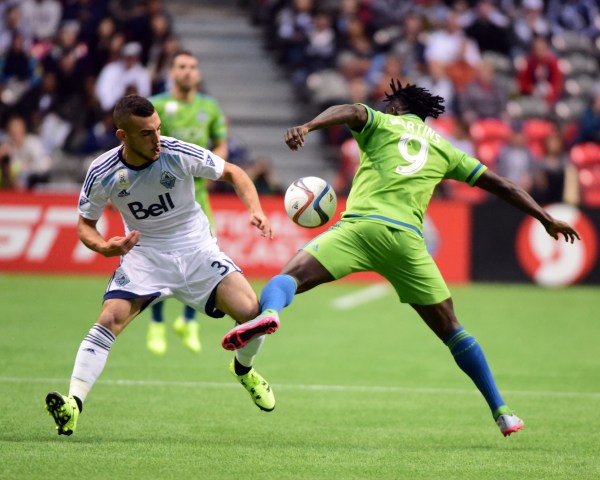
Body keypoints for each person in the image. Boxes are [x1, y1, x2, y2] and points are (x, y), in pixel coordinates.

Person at [221, 80, 580, 437]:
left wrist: (308, 126)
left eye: (386, 102)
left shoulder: (384, 122)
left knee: (288, 278)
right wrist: (545, 218)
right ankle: (502, 411)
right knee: (452, 328)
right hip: (407, 242)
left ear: (396, 106)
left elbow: (351, 110)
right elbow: (503, 185)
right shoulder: (446, 148)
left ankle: (270, 313)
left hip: (360, 229)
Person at [44, 95, 276, 436]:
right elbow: (84, 225)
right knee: (108, 319)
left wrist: (255, 208)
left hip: (196, 251)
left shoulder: (177, 152)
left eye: (158, 129)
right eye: (146, 134)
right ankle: (73, 404)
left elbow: (234, 172)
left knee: (252, 313)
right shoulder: (102, 172)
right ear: (123, 136)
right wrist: (106, 248)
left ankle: (244, 370)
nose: (157, 140)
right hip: (145, 256)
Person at [147, 50, 229, 355]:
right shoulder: (157, 105)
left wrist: (215, 165)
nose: (188, 72)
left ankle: (189, 321)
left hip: (199, 196)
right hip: (163, 194)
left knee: (204, 256)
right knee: (159, 260)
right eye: (182, 66)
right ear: (172, 72)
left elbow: (221, 141)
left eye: (193, 67)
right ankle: (156, 323)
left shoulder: (209, 106)